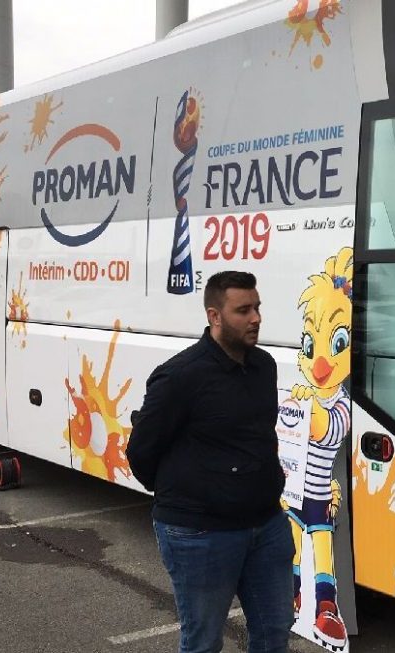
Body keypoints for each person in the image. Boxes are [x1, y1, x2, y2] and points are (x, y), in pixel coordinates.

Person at [126, 271, 294, 653]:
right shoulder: (181, 376)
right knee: (203, 641)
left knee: (275, 631)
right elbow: (142, 452)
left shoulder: (264, 366)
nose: (255, 318)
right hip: (201, 535)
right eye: (243, 310)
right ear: (214, 316)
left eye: (257, 307)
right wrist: (188, 494)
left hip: (266, 526)